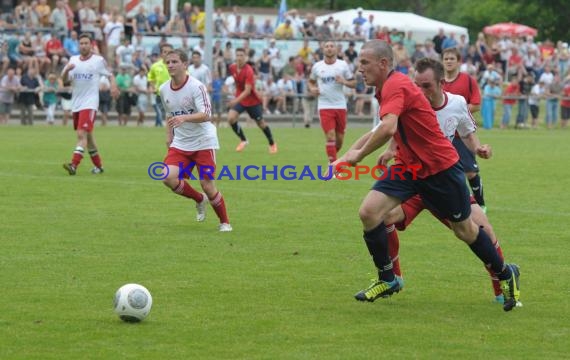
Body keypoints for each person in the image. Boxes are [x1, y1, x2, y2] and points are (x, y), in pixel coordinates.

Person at [331, 40, 520, 311]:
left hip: (439, 170)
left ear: (383, 64)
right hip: (409, 167)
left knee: (466, 231)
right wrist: (351, 152)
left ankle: (504, 273)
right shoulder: (386, 88)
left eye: (364, 63)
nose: (359, 68)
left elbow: (387, 128)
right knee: (370, 212)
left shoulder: (396, 85)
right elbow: (384, 129)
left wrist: (356, 157)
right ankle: (388, 278)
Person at [380, 57, 507, 303]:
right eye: (417, 85)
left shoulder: (457, 104)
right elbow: (393, 127)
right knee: (382, 215)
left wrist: (479, 149)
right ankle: (394, 277)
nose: (420, 91)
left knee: (482, 230)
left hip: (444, 181)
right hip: (413, 180)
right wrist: (389, 148)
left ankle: (502, 287)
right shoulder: (408, 102)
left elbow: (467, 133)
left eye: (426, 85)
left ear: (441, 84)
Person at [160, 49, 231, 232]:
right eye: (168, 62)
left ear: (184, 65)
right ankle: (199, 199)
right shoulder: (164, 89)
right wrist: (169, 135)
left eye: (174, 62)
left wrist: (184, 118)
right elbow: (169, 113)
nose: (170, 65)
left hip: (203, 142)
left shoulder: (196, 86)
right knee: (167, 177)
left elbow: (206, 114)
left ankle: (225, 223)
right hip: (181, 143)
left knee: (207, 185)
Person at [61, 33, 119, 175]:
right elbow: (65, 81)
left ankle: (73, 165)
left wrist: (113, 86)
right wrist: (66, 71)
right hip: (76, 103)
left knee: (81, 135)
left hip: (90, 103)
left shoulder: (98, 61)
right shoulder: (73, 60)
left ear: (91, 45)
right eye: (81, 43)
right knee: (89, 138)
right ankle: (98, 167)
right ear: (78, 45)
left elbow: (110, 74)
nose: (84, 45)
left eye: (86, 43)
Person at [442, 47, 487, 212]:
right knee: (444, 172)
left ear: (458, 61)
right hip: (443, 136)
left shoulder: (468, 80)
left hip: (462, 134)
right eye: (446, 58)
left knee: (470, 172)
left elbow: (476, 104)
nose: (448, 61)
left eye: (452, 58)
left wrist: (455, 112)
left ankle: (481, 203)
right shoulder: (438, 82)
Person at [308, 40, 356, 163]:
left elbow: (354, 83)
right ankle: (333, 167)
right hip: (324, 105)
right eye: (326, 46)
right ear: (323, 49)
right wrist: (312, 89)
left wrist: (344, 82)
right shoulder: (317, 66)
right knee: (330, 136)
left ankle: (333, 158)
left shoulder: (343, 65)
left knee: (339, 140)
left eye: (331, 46)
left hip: (340, 105)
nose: (329, 48)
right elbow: (311, 81)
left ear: (336, 49)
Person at [227, 47, 277, 154]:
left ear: (245, 57)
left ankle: (272, 143)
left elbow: (247, 91)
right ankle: (244, 140)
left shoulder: (249, 70)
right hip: (241, 99)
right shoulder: (232, 67)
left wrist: (235, 100)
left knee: (261, 123)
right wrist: (235, 93)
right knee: (231, 118)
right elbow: (238, 83)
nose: (239, 58)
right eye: (238, 55)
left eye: (241, 55)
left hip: (252, 100)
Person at [148, 43, 173, 127]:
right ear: (161, 54)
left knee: (172, 114)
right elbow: (150, 78)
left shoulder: (176, 65)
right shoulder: (155, 66)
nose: (167, 54)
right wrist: (153, 87)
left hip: (174, 94)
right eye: (165, 52)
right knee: (163, 115)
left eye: (169, 52)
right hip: (160, 94)